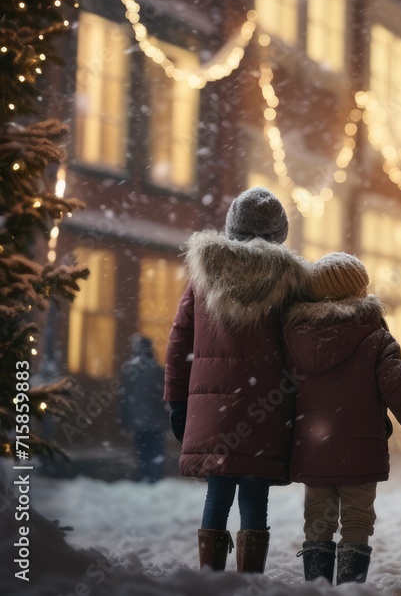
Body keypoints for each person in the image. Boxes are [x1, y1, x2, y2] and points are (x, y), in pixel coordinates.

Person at [164, 187, 307, 573]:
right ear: (279, 234)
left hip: (213, 410)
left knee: (218, 491)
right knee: (255, 494)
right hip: (267, 408)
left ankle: (210, 574)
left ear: (231, 228)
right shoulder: (291, 283)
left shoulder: (203, 276)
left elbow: (179, 339)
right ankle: (248, 577)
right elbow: (301, 347)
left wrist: (176, 400)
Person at [282, 252, 401, 584]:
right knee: (356, 519)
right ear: (358, 291)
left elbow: (282, 394)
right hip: (361, 448)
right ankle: (350, 588)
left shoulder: (294, 336)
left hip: (313, 447)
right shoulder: (375, 337)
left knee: (317, 519)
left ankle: (317, 586)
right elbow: (399, 388)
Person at [119, 334, 167, 483]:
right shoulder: (159, 371)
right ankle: (153, 478)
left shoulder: (129, 372)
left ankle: (145, 475)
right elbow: (164, 398)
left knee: (143, 452)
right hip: (156, 421)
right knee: (155, 451)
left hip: (138, 421)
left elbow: (124, 399)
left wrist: (123, 421)